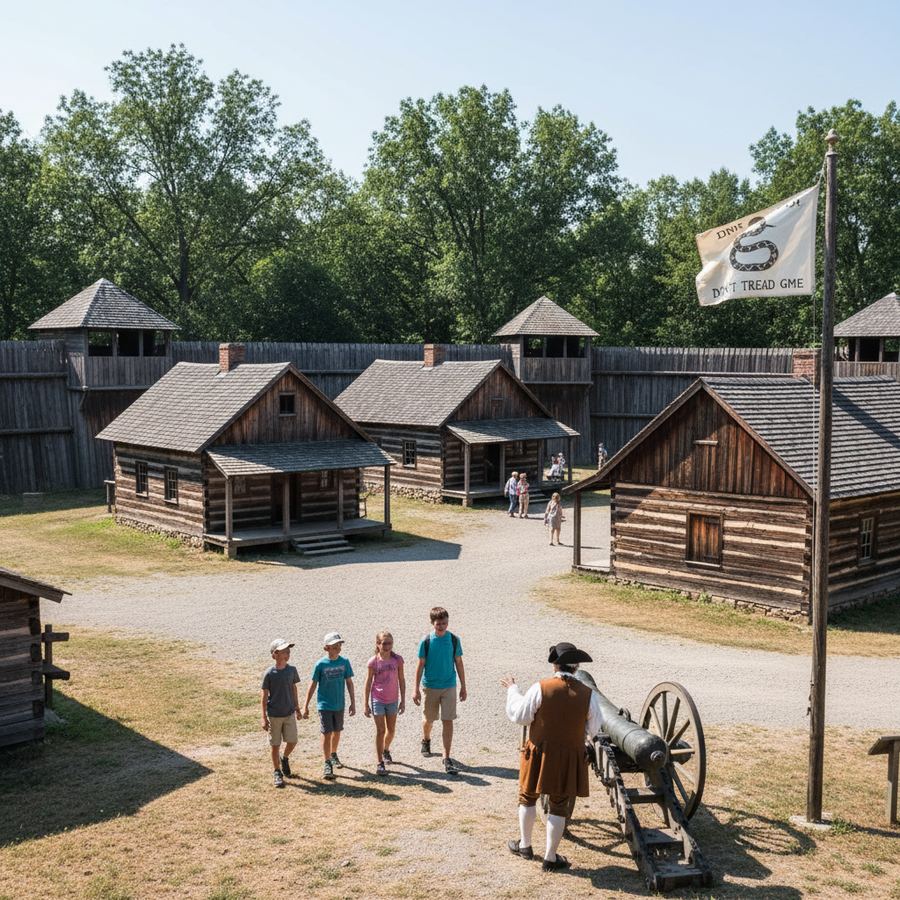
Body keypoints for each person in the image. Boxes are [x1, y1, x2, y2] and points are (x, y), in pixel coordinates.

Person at [501, 642, 604, 872]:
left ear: (555, 665)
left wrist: (512, 690)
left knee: (527, 796)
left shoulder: (541, 687)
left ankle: (525, 846)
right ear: (576, 667)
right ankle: (550, 857)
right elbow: (594, 727)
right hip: (569, 755)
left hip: (539, 750)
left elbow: (521, 715)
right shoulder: (588, 694)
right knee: (558, 805)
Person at [413, 606, 466, 775]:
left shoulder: (454, 640)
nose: (442, 626)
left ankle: (446, 757)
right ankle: (426, 739)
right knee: (429, 719)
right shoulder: (426, 641)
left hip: (449, 685)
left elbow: (459, 662)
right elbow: (420, 664)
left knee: (448, 720)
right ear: (432, 623)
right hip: (430, 686)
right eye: (438, 624)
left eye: (444, 623)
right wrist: (415, 689)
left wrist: (463, 686)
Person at [303, 631, 356, 780]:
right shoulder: (320, 664)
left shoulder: (344, 662)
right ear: (327, 648)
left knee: (337, 731)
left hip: (339, 704)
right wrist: (305, 705)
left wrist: (353, 702)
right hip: (324, 704)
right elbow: (313, 684)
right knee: (326, 733)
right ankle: (327, 762)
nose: (338, 647)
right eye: (335, 645)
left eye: (339, 645)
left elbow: (349, 683)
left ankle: (333, 754)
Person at [261, 637, 302, 788]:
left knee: (292, 741)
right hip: (274, 715)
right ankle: (277, 771)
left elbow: (294, 689)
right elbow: (264, 695)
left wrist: (297, 708)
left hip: (289, 713)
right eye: (284, 651)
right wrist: (263, 717)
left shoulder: (292, 670)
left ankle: (284, 758)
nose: (287, 653)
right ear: (274, 655)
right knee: (275, 744)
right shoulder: (269, 674)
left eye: (288, 650)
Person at [364, 630, 405, 775]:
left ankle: (386, 749)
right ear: (378, 644)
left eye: (389, 643)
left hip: (393, 699)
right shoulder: (373, 662)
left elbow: (401, 680)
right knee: (380, 731)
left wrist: (403, 700)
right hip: (378, 699)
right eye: (384, 643)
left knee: (391, 730)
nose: (387, 646)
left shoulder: (398, 660)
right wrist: (365, 704)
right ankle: (379, 762)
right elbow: (368, 683)